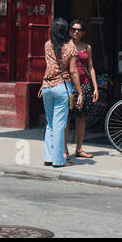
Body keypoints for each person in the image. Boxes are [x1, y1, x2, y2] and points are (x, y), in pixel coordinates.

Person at [41, 18, 81, 168]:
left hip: (47, 87)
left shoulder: (47, 45)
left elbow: (48, 66)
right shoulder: (70, 47)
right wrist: (80, 92)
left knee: (50, 124)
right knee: (59, 125)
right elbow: (73, 71)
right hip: (62, 87)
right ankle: (58, 160)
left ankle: (48, 157)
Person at [66, 19, 101, 159]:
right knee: (67, 117)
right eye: (73, 29)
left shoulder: (87, 47)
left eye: (78, 30)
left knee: (82, 117)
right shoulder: (66, 46)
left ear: (83, 32)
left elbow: (91, 67)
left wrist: (96, 87)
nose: (75, 32)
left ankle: (79, 148)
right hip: (70, 85)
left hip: (85, 84)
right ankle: (64, 149)